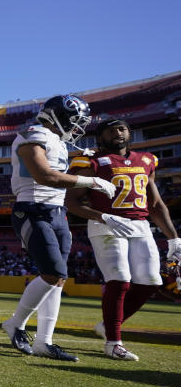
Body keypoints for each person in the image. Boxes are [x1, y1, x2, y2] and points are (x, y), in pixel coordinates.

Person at [0, 95, 116, 361]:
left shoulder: (59, 143)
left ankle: (44, 342)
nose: (77, 128)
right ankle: (15, 324)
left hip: (56, 211)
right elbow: (45, 176)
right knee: (53, 273)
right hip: (32, 208)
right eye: (74, 121)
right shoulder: (33, 134)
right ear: (57, 116)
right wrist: (92, 182)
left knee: (58, 280)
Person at [65, 119, 180, 360]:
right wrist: (103, 217)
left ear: (129, 133)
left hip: (140, 225)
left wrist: (174, 240)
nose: (117, 133)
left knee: (150, 281)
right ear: (100, 137)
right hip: (105, 224)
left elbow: (156, 204)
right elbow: (72, 202)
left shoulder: (147, 160)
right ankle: (113, 342)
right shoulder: (91, 161)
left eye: (122, 129)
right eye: (110, 130)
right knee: (119, 279)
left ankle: (108, 326)